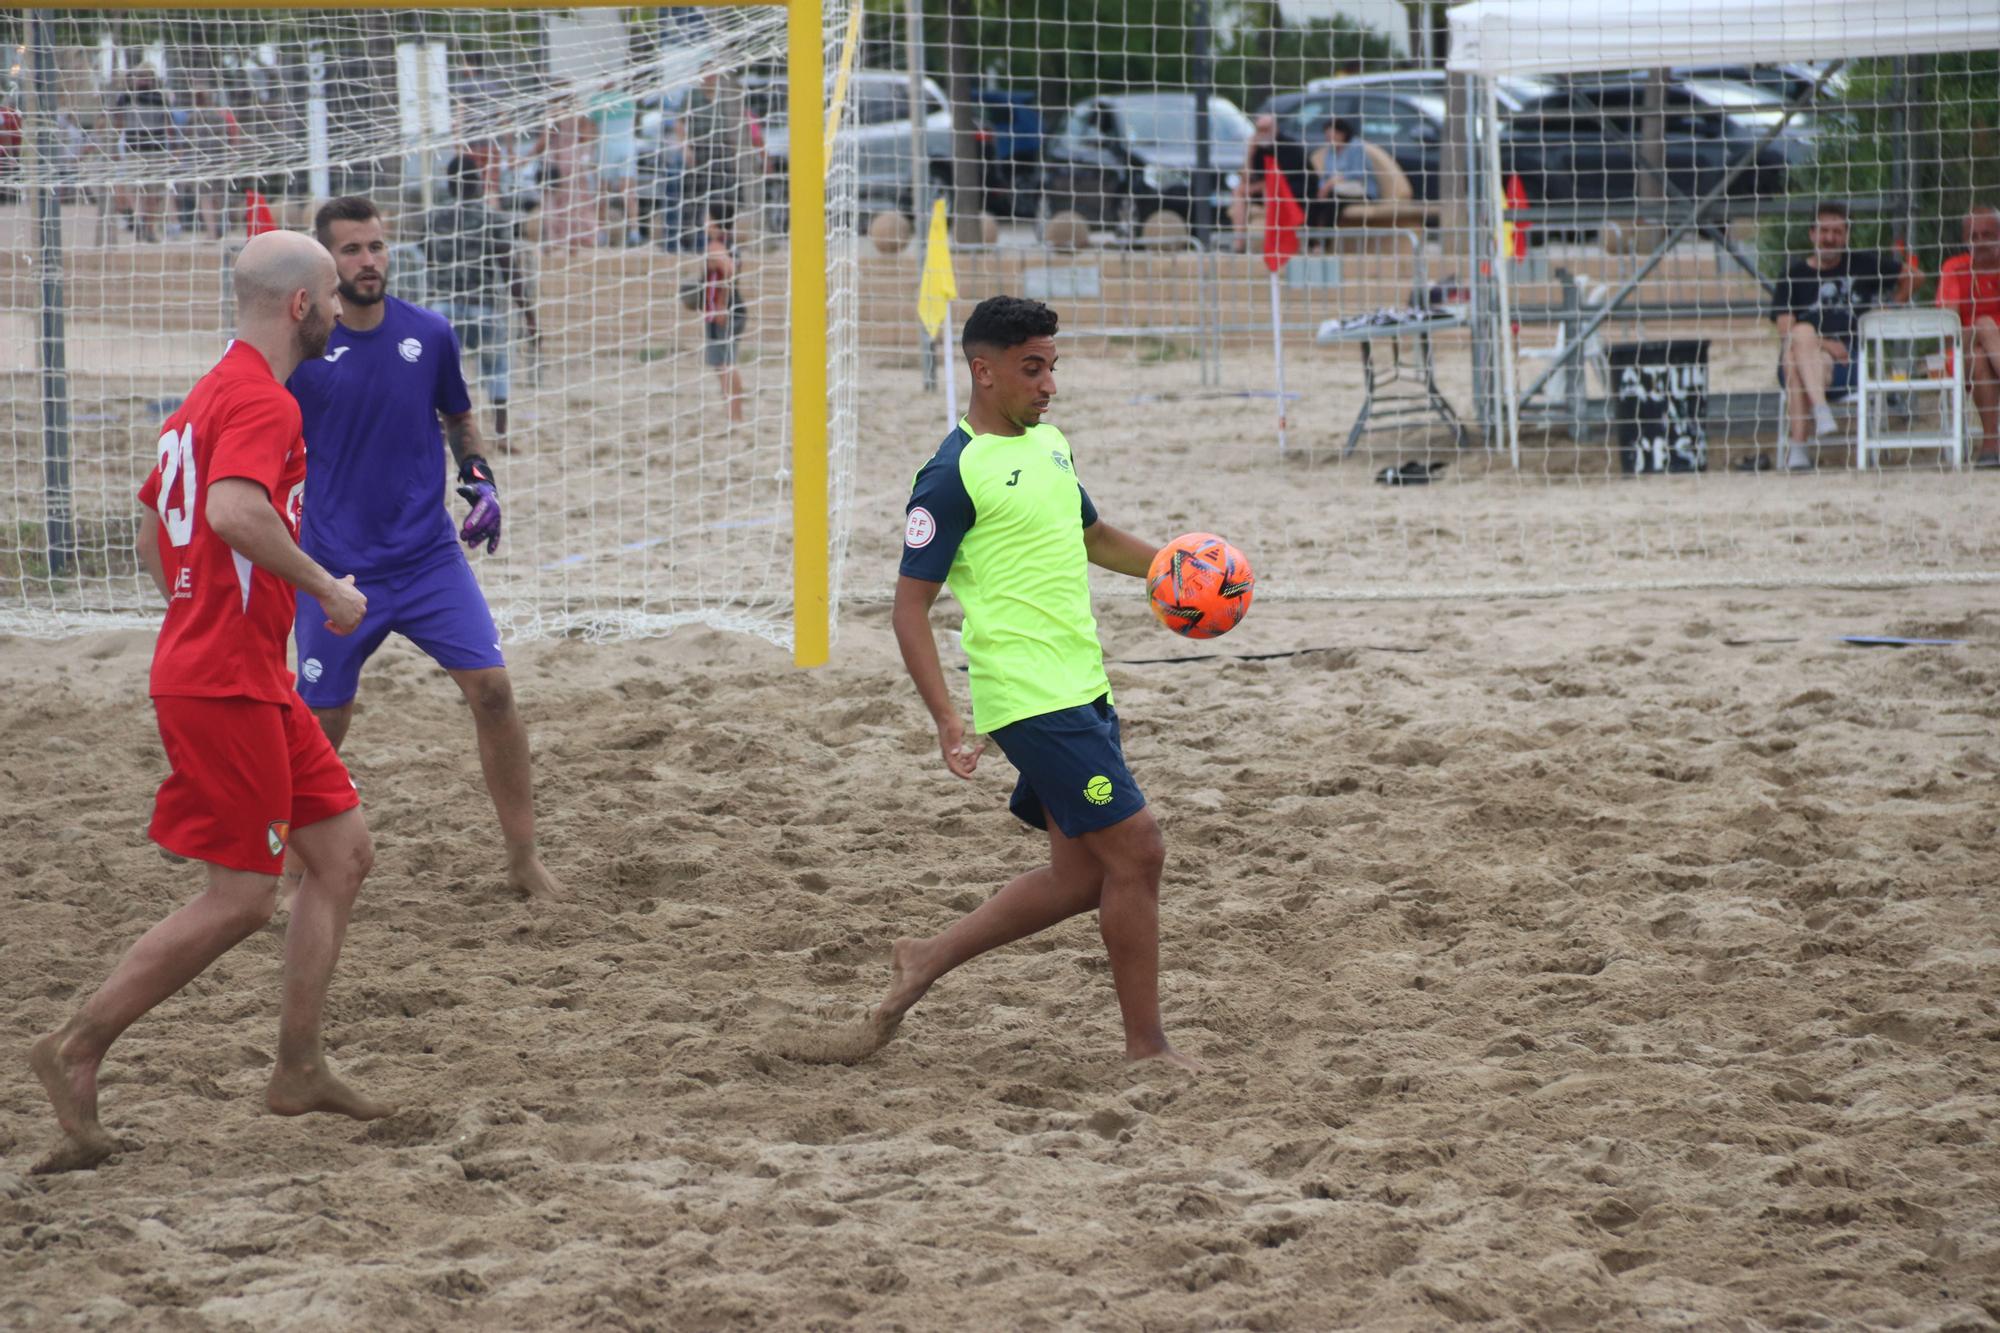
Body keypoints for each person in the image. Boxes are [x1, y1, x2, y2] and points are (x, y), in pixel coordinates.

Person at [30, 231, 387, 1174]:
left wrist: (194, 607)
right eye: (330, 295)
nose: (342, 309)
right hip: (222, 678)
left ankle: (299, 1066)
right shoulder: (262, 399)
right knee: (239, 898)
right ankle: (76, 1046)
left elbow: (155, 521)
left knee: (343, 853)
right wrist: (326, 589)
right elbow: (230, 512)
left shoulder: (202, 397)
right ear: (302, 306)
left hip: (238, 669)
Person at [862, 295, 1197, 1071]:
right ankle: (1146, 1048)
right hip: (1029, 698)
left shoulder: (1051, 447)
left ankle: (924, 957)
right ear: (984, 371)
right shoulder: (950, 475)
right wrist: (948, 716)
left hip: (1082, 684)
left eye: (1052, 367)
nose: (1049, 385)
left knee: (1080, 875)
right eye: (1032, 368)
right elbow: (908, 610)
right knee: (1139, 849)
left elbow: (1094, 537)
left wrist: (1179, 568)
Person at [290, 196, 560, 901]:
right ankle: (284, 870)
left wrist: (481, 483)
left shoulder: (429, 333)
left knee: (496, 692)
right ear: (327, 263)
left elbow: (459, 418)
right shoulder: (302, 351)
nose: (368, 261)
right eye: (351, 250)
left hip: (428, 558)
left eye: (375, 246)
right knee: (320, 722)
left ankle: (523, 859)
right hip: (335, 568)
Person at [1749, 201, 1916, 472]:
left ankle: (1799, 450)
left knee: (1794, 359)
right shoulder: (1794, 274)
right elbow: (1784, 329)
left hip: (1848, 362)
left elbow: (1913, 276)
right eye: (1824, 231)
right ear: (1812, 234)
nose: (1830, 238)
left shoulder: (1862, 264)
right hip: (1817, 354)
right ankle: (1820, 410)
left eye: (1837, 232)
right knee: (1800, 335)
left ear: (1846, 236)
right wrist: (1825, 344)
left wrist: (1891, 305)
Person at [425, 154, 535, 445]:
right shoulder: (492, 218)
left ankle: (440, 432)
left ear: (450, 185)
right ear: (479, 183)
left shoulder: (435, 218)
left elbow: (429, 260)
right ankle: (501, 433)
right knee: (497, 368)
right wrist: (529, 315)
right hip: (483, 306)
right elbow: (509, 267)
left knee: (441, 372)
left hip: (444, 309)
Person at [1937, 204, 2000, 466]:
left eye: (1988, 234)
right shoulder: (1954, 267)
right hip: (1962, 352)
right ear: (1965, 239)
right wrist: (1984, 331)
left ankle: (1989, 446)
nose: (1981, 241)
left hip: (1979, 355)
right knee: (1983, 331)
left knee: (1981, 356)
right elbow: (1948, 332)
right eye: (1975, 236)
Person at [1229, 113, 1314, 249]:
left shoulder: (1289, 146)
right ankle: (1239, 241)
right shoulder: (1259, 149)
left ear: (1275, 128)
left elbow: (1284, 178)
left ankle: (1274, 238)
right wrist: (1250, 152)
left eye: (1266, 129)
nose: (1262, 133)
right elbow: (1247, 177)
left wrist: (1261, 185)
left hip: (1295, 191)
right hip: (1267, 190)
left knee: (1268, 186)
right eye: (1259, 129)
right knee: (1239, 190)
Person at [702, 215, 747, 424]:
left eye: (709, 218)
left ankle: (735, 415)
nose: (705, 222)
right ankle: (734, 414)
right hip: (734, 308)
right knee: (725, 363)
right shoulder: (732, 245)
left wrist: (721, 302)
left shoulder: (716, 246)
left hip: (722, 312)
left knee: (724, 364)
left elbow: (728, 270)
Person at [1311, 116, 1378, 229]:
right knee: (1313, 199)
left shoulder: (1356, 147)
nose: (1328, 139)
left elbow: (1358, 173)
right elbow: (1326, 175)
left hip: (1360, 190)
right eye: (1327, 136)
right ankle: (1312, 241)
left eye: (1331, 135)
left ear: (1342, 134)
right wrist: (1321, 188)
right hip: (1336, 190)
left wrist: (1331, 183)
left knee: (1333, 201)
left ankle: (1324, 241)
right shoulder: (1331, 151)